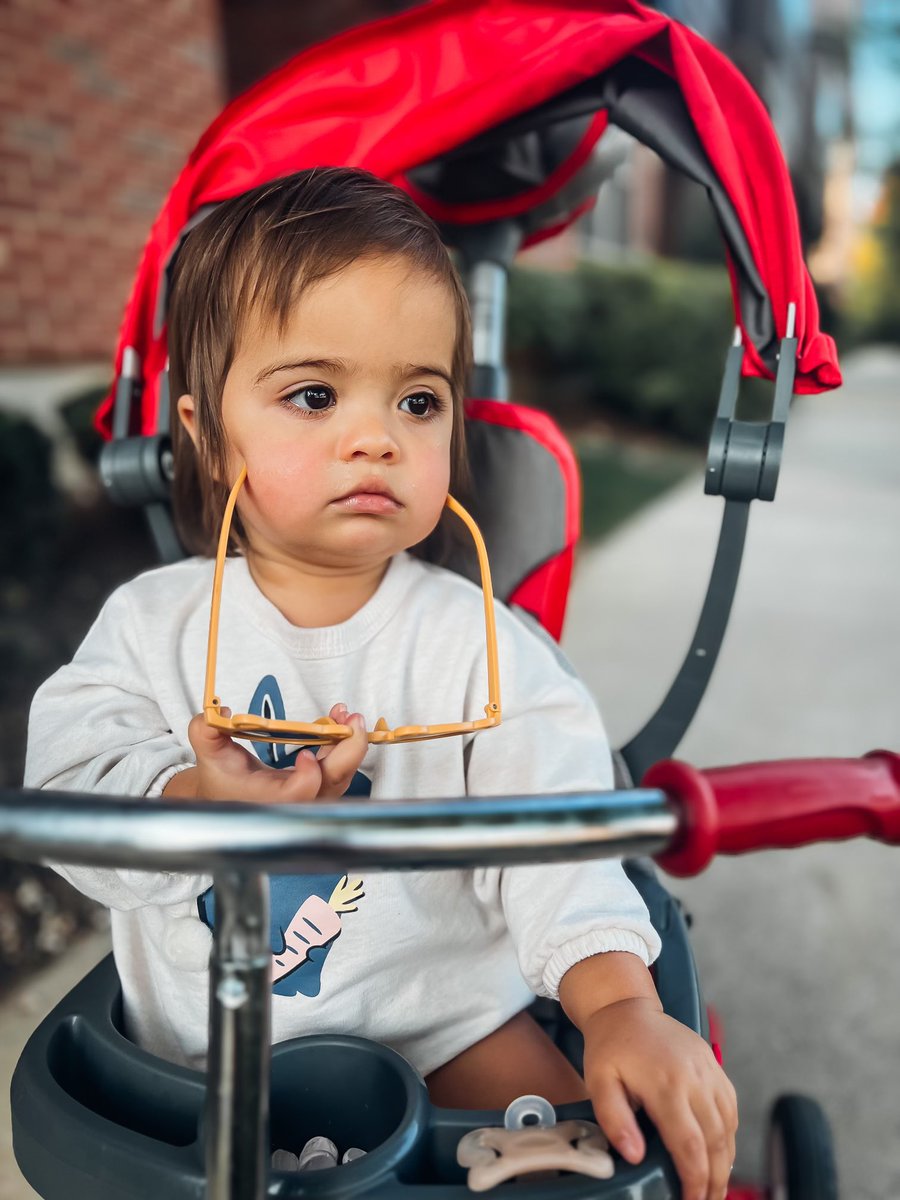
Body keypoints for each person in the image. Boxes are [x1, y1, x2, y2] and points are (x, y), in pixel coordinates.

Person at [25, 167, 736, 1200]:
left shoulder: (480, 648)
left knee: (596, 1155)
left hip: (445, 1019)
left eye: (418, 399)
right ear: (207, 436)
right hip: (201, 1055)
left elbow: (560, 837)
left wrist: (619, 1004)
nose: (378, 436)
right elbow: (66, 793)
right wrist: (193, 797)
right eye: (314, 395)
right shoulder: (152, 627)